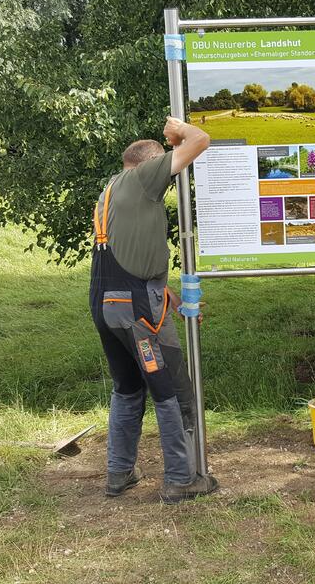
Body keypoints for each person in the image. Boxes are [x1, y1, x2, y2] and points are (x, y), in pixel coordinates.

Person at [89, 117, 215, 503]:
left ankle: (119, 473)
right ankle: (181, 478)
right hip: (138, 312)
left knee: (127, 390)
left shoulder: (110, 191)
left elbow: (127, 255)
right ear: (149, 165)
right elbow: (201, 139)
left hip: (105, 303)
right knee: (170, 391)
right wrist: (177, 131)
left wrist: (164, 291)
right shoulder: (143, 178)